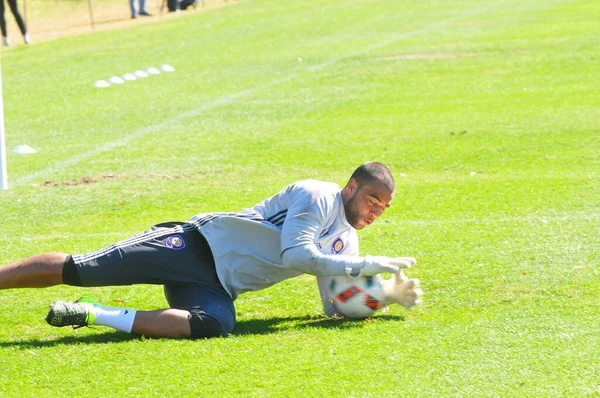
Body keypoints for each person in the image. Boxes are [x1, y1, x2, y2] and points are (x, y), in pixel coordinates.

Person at [0, 162, 423, 339]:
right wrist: (362, 264)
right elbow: (297, 254)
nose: (375, 212)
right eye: (372, 200)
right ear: (351, 187)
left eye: (383, 208)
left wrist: (386, 295)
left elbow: (334, 304)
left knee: (215, 324)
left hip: (215, 285)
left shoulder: (346, 241)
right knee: (82, 268)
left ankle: (92, 313)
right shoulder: (317, 197)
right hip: (191, 246)